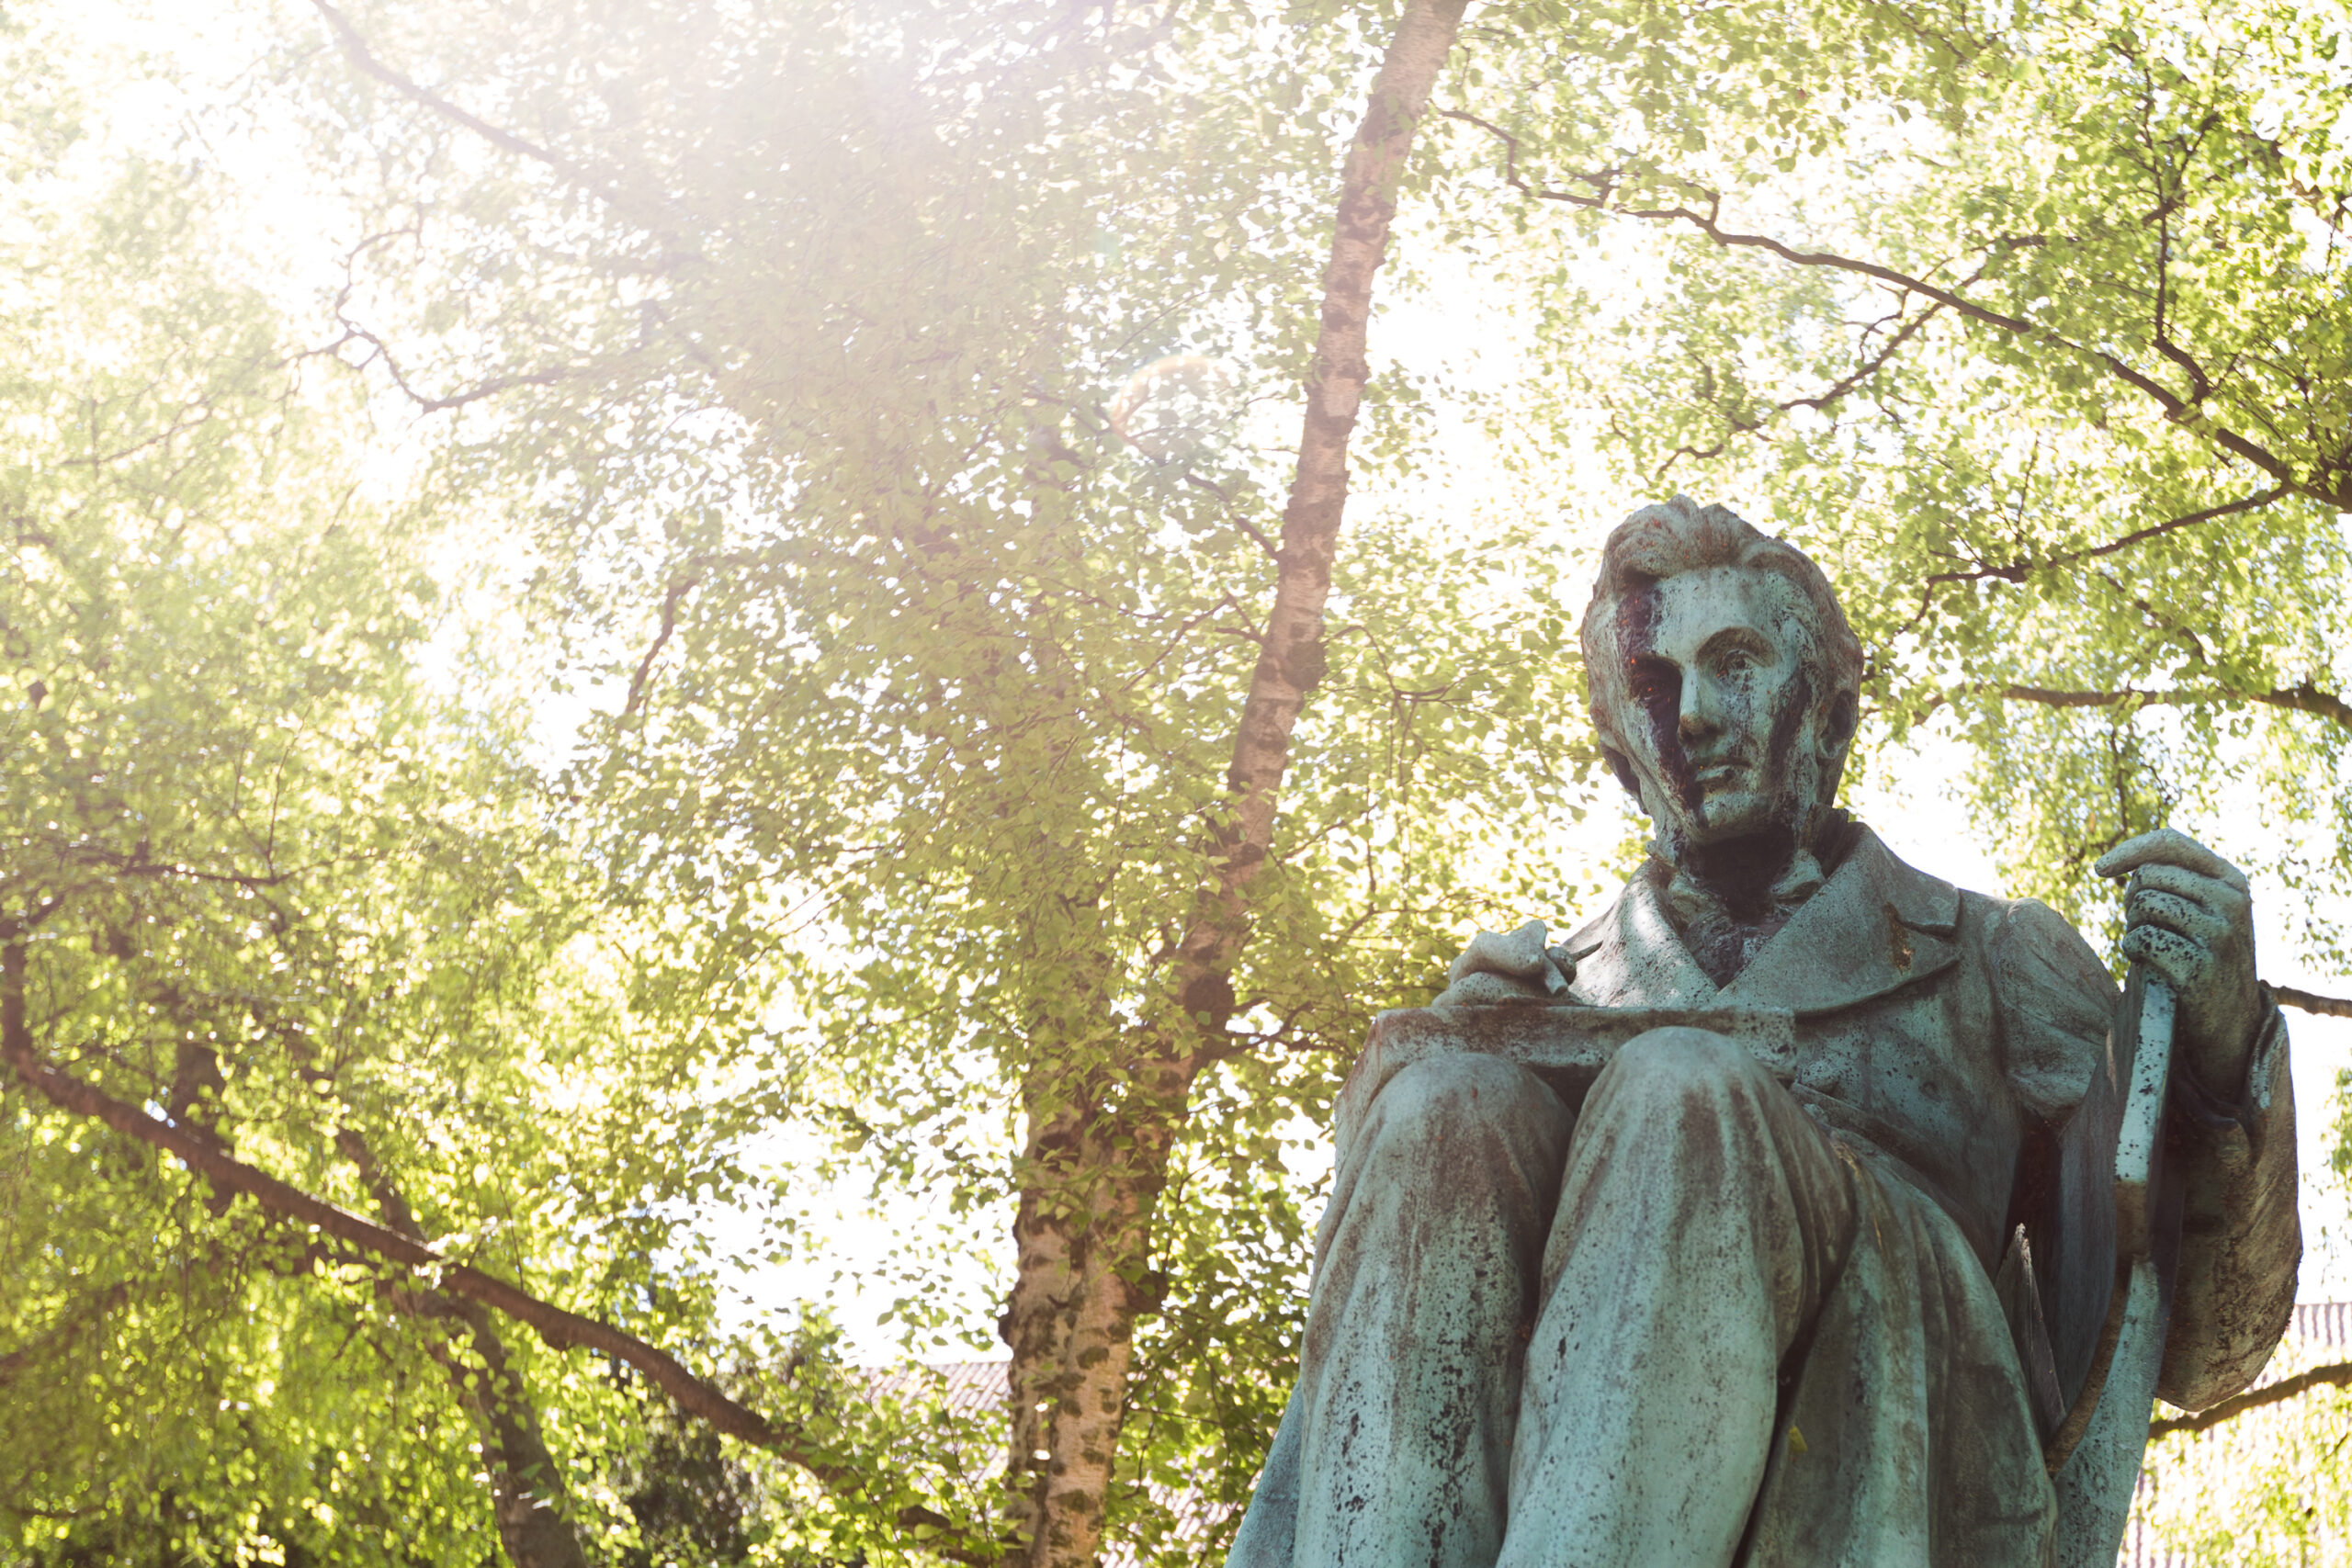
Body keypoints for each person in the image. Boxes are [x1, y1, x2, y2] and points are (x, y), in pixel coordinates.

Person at [1227, 496, 2299, 1567]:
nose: (1690, 713)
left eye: (1733, 661)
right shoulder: (1553, 987)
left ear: (1831, 710)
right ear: (1619, 757)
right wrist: (1446, 1059)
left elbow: (2201, 1350)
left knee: (1682, 1087)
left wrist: (2215, 1051)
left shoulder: (1992, 959)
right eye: (1652, 685)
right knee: (1441, 1105)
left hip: (1881, 1461)